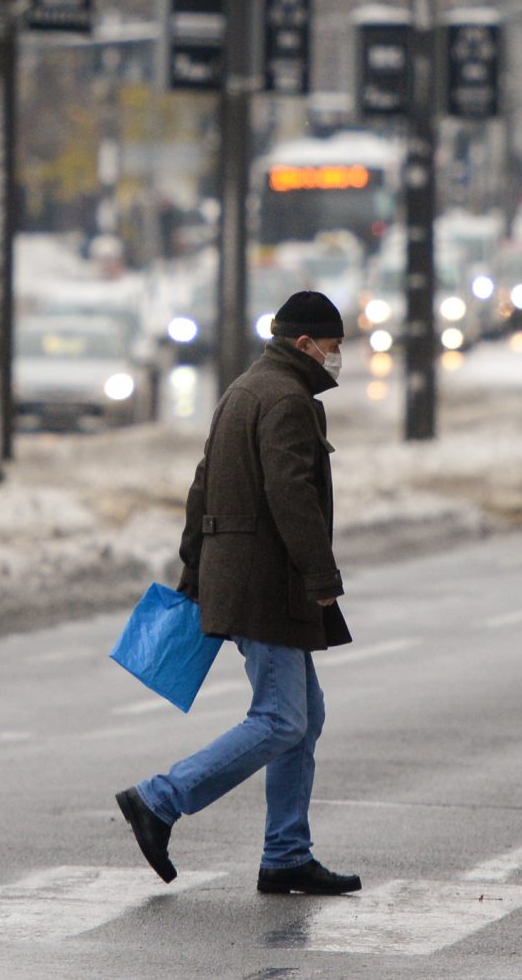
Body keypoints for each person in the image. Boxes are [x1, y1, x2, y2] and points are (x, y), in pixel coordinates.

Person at [117, 290, 360, 896]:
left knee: (304, 717)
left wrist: (195, 570)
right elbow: (292, 496)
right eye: (333, 347)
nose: (338, 358)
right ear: (304, 344)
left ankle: (285, 854)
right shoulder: (285, 400)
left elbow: (203, 485)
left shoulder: (246, 389)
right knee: (281, 719)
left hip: (243, 576)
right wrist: (321, 577)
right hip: (266, 585)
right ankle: (160, 799)